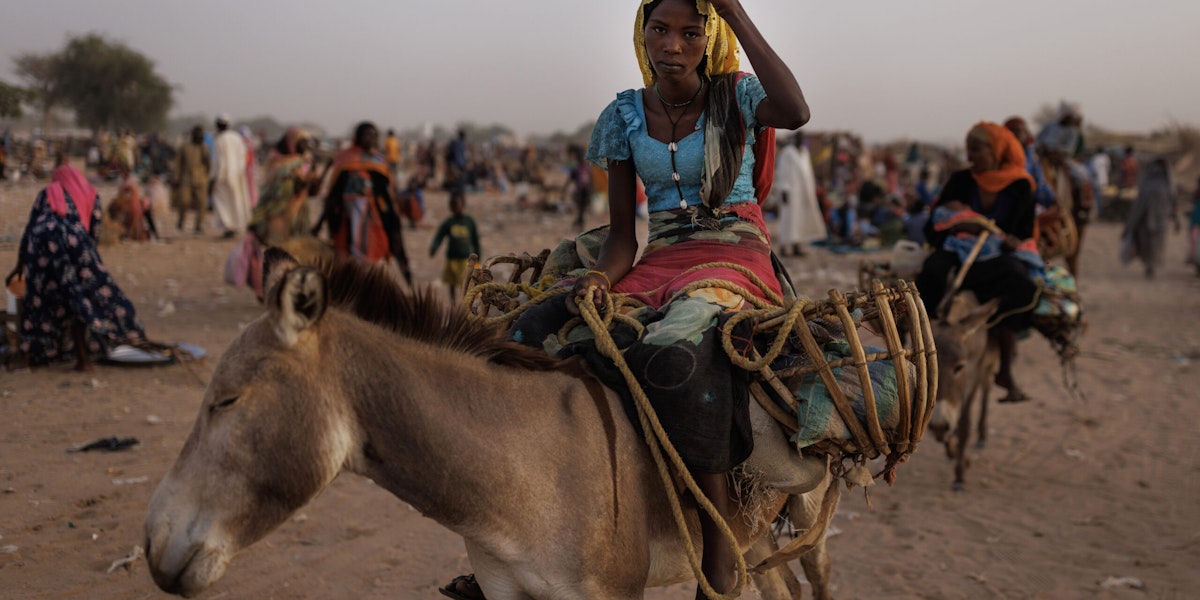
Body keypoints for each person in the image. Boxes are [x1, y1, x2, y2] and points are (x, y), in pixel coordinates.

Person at [440, 1, 809, 598]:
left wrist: (733, 11)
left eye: (690, 34)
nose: (672, 45)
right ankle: (520, 533)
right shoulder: (624, 115)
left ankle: (717, 542)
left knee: (676, 350)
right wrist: (597, 280)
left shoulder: (736, 95)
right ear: (643, 35)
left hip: (732, 253)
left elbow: (796, 110)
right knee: (530, 333)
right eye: (659, 30)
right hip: (658, 259)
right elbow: (620, 237)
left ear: (706, 40)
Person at [916, 122, 1039, 405]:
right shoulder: (960, 180)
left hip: (995, 258)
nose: (970, 156)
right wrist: (959, 225)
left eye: (976, 150)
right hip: (958, 253)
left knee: (1020, 281)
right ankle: (921, 343)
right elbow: (933, 226)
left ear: (996, 151)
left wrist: (1010, 241)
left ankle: (1004, 366)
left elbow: (1022, 233)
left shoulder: (1020, 185)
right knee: (933, 271)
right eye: (968, 149)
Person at [5, 162, 145, 370]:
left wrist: (20, 265)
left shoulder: (48, 192)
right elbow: (94, 231)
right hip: (75, 243)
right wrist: (88, 263)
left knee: (37, 299)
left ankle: (25, 358)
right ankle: (84, 359)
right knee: (77, 297)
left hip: (42, 243)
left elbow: (31, 226)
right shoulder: (90, 193)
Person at [314, 121, 413, 285]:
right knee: (347, 250)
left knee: (379, 245)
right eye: (368, 134)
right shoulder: (346, 158)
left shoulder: (379, 160)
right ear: (358, 137)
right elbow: (335, 191)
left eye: (375, 135)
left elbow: (386, 189)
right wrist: (320, 221)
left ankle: (386, 275)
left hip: (374, 211)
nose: (372, 138)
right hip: (348, 212)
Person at [1120, 157, 1177, 279]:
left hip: (1160, 219)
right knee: (1146, 244)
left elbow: (1173, 202)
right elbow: (1139, 202)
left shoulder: (1168, 184)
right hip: (1145, 219)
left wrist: (1176, 219)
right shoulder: (1146, 182)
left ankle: (1151, 265)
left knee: (1156, 245)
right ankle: (1148, 264)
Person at [772, 130, 825, 256]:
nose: (800, 140)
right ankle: (784, 247)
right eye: (798, 137)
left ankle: (797, 246)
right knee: (787, 219)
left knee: (799, 220)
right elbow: (783, 172)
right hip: (791, 192)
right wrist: (784, 189)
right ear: (794, 138)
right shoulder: (787, 153)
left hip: (803, 193)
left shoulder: (804, 152)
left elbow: (808, 173)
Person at [428, 190, 481, 303]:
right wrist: (434, 247)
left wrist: (478, 255)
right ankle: (453, 303)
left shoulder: (469, 221)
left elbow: (475, 240)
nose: (456, 208)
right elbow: (439, 236)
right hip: (451, 258)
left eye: (458, 205)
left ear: (463, 204)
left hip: (465, 259)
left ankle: (466, 305)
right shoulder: (449, 222)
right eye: (453, 206)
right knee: (451, 283)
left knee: (465, 284)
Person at [210, 114, 251, 238]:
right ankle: (237, 225)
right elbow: (243, 156)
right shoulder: (236, 137)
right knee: (236, 200)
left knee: (222, 201)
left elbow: (218, 161)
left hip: (223, 176)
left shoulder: (219, 139)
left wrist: (214, 177)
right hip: (237, 174)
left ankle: (228, 226)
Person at [1003, 116, 1055, 209]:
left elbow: (1040, 182)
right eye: (1013, 131)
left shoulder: (1031, 157)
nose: (1017, 134)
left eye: (1020, 131)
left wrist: (1051, 200)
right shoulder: (999, 156)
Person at [172, 125, 210, 233]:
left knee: (202, 204)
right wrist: (176, 177)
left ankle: (198, 225)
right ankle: (181, 221)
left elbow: (208, 164)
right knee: (184, 202)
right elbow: (178, 163)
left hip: (201, 180)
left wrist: (206, 176)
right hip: (186, 179)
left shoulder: (204, 148)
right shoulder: (184, 147)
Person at [564, 144, 594, 229]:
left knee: (583, 208)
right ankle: (580, 222)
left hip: (587, 191)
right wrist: (564, 191)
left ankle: (578, 222)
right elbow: (569, 180)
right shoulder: (576, 169)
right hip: (579, 191)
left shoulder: (587, 167)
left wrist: (593, 190)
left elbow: (591, 180)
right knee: (581, 208)